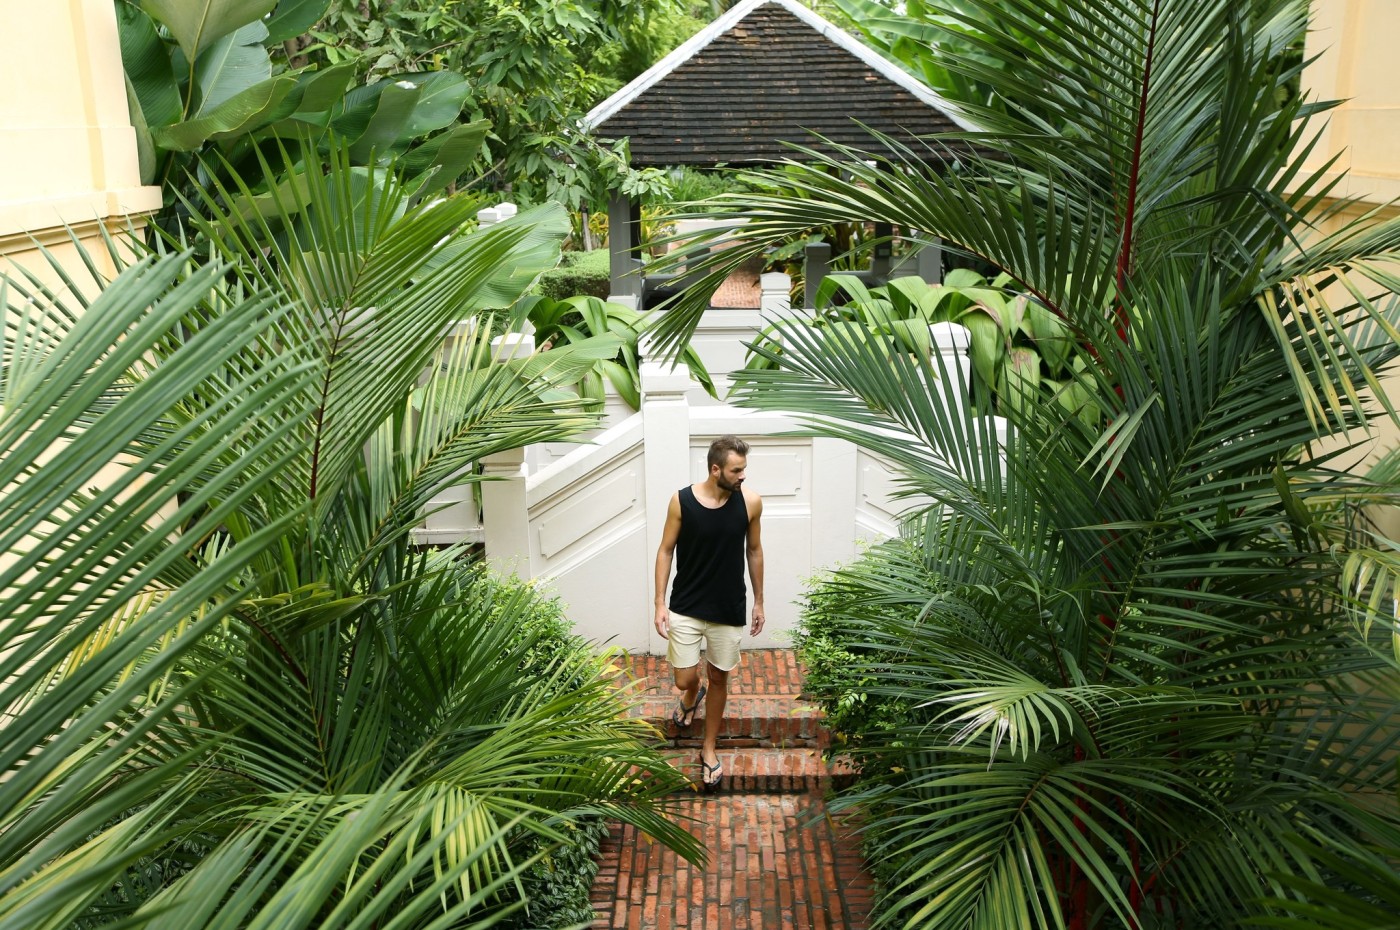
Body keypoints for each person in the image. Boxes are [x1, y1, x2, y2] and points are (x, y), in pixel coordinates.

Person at [653, 434, 765, 791]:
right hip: (686, 603)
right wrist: (659, 602)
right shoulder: (681, 501)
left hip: (728, 607)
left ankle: (709, 748)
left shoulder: (751, 502)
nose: (742, 476)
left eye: (743, 469)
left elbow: (754, 551)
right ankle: (690, 694)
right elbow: (665, 550)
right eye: (736, 470)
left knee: (719, 678)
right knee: (684, 677)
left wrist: (759, 601)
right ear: (715, 469)